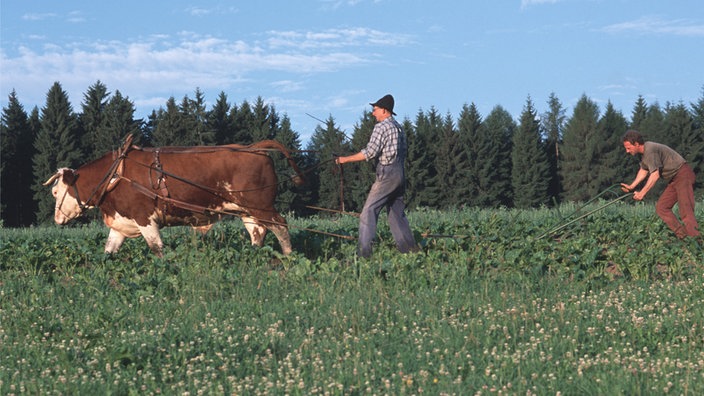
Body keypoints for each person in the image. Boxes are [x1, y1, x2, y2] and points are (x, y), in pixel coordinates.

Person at [335, 94, 419, 258]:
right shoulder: (398, 127)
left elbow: (370, 153)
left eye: (375, 110)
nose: (373, 113)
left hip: (387, 174)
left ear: (385, 111)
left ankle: (364, 254)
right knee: (396, 214)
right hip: (400, 173)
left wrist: (344, 159)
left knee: (368, 211)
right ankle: (410, 251)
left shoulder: (381, 127)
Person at [621, 129, 700, 239]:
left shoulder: (650, 150)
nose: (627, 151)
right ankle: (684, 236)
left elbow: (655, 175)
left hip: (683, 175)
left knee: (686, 210)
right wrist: (631, 186)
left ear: (637, 144)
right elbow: (644, 170)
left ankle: (697, 241)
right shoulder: (642, 154)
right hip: (674, 179)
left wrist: (642, 193)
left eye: (628, 148)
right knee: (662, 208)